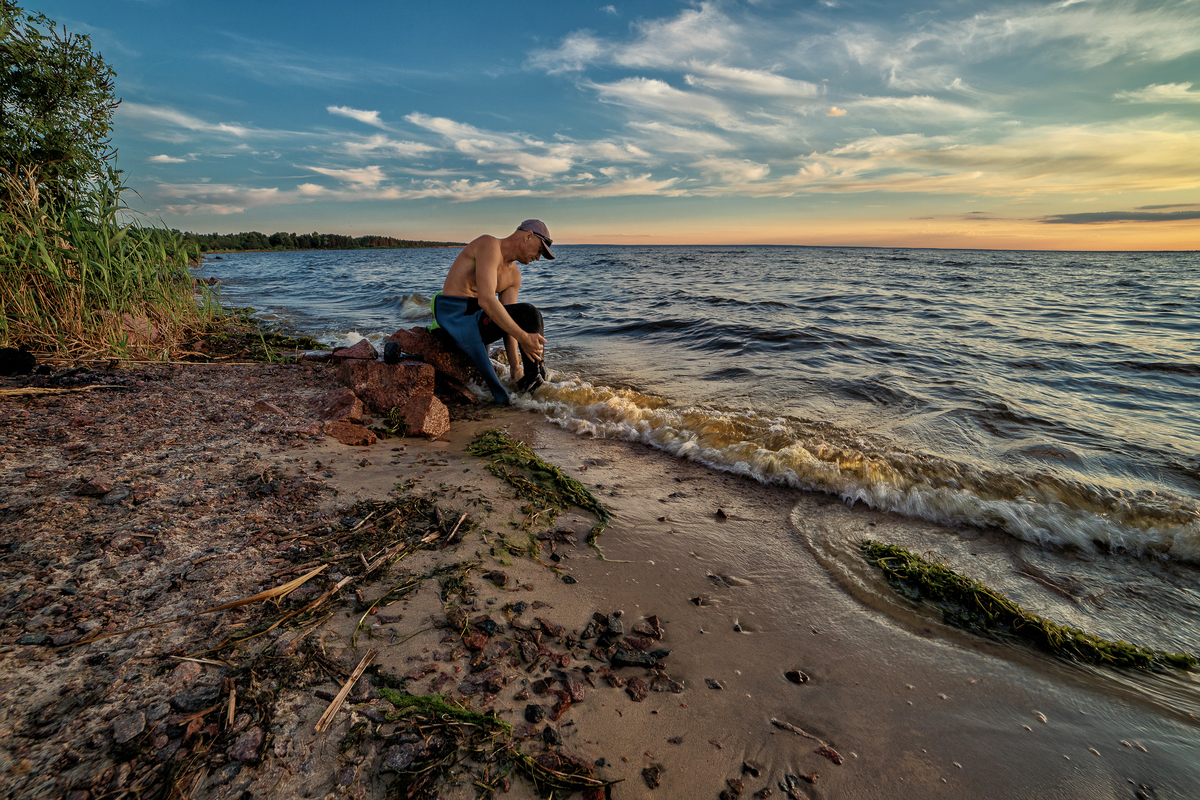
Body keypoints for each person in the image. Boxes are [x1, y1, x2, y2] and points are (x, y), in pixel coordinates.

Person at [425, 220, 552, 404]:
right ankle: (533, 392)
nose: (539, 258)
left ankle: (531, 383)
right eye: (540, 250)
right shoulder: (489, 245)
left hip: (478, 320)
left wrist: (515, 368)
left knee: (529, 316)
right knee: (530, 313)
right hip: (456, 318)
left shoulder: (514, 276)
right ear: (528, 236)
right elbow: (486, 300)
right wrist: (524, 338)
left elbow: (509, 323)